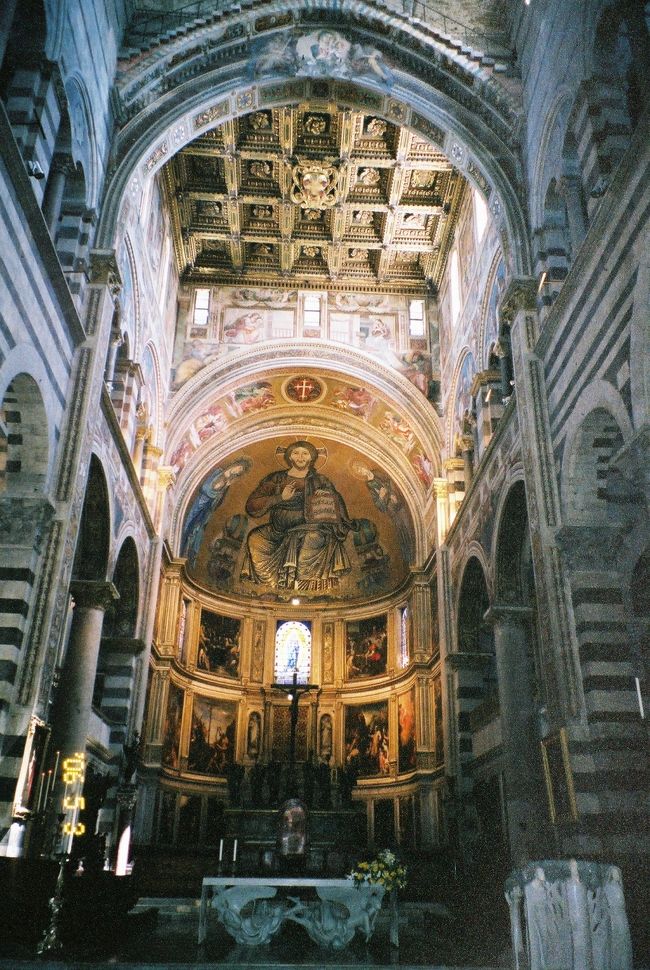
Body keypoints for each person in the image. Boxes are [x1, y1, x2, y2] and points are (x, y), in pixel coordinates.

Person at [241, 441, 356, 592]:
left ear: (311, 458)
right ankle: (270, 587)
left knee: (313, 537)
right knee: (255, 538)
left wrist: (328, 494)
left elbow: (337, 505)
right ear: (289, 457)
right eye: (296, 453)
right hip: (277, 531)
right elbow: (252, 505)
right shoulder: (276, 479)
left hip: (311, 527)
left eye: (305, 453)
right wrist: (280, 498)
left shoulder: (320, 480)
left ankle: (306, 589)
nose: (300, 457)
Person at [181, 458, 251, 568]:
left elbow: (219, 502)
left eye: (240, 471)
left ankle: (189, 555)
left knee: (197, 532)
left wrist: (224, 487)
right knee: (189, 526)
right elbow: (205, 488)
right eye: (239, 468)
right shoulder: (218, 472)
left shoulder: (228, 483)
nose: (237, 471)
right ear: (235, 464)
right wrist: (218, 488)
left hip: (207, 510)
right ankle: (181, 544)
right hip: (199, 503)